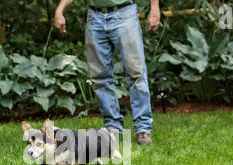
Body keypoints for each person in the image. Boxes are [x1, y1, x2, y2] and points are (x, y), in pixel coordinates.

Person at [54, 0, 160, 145]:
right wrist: (59, 10)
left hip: (125, 14)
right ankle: (112, 128)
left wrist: (154, 8)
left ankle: (143, 129)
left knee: (136, 73)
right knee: (100, 78)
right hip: (94, 18)